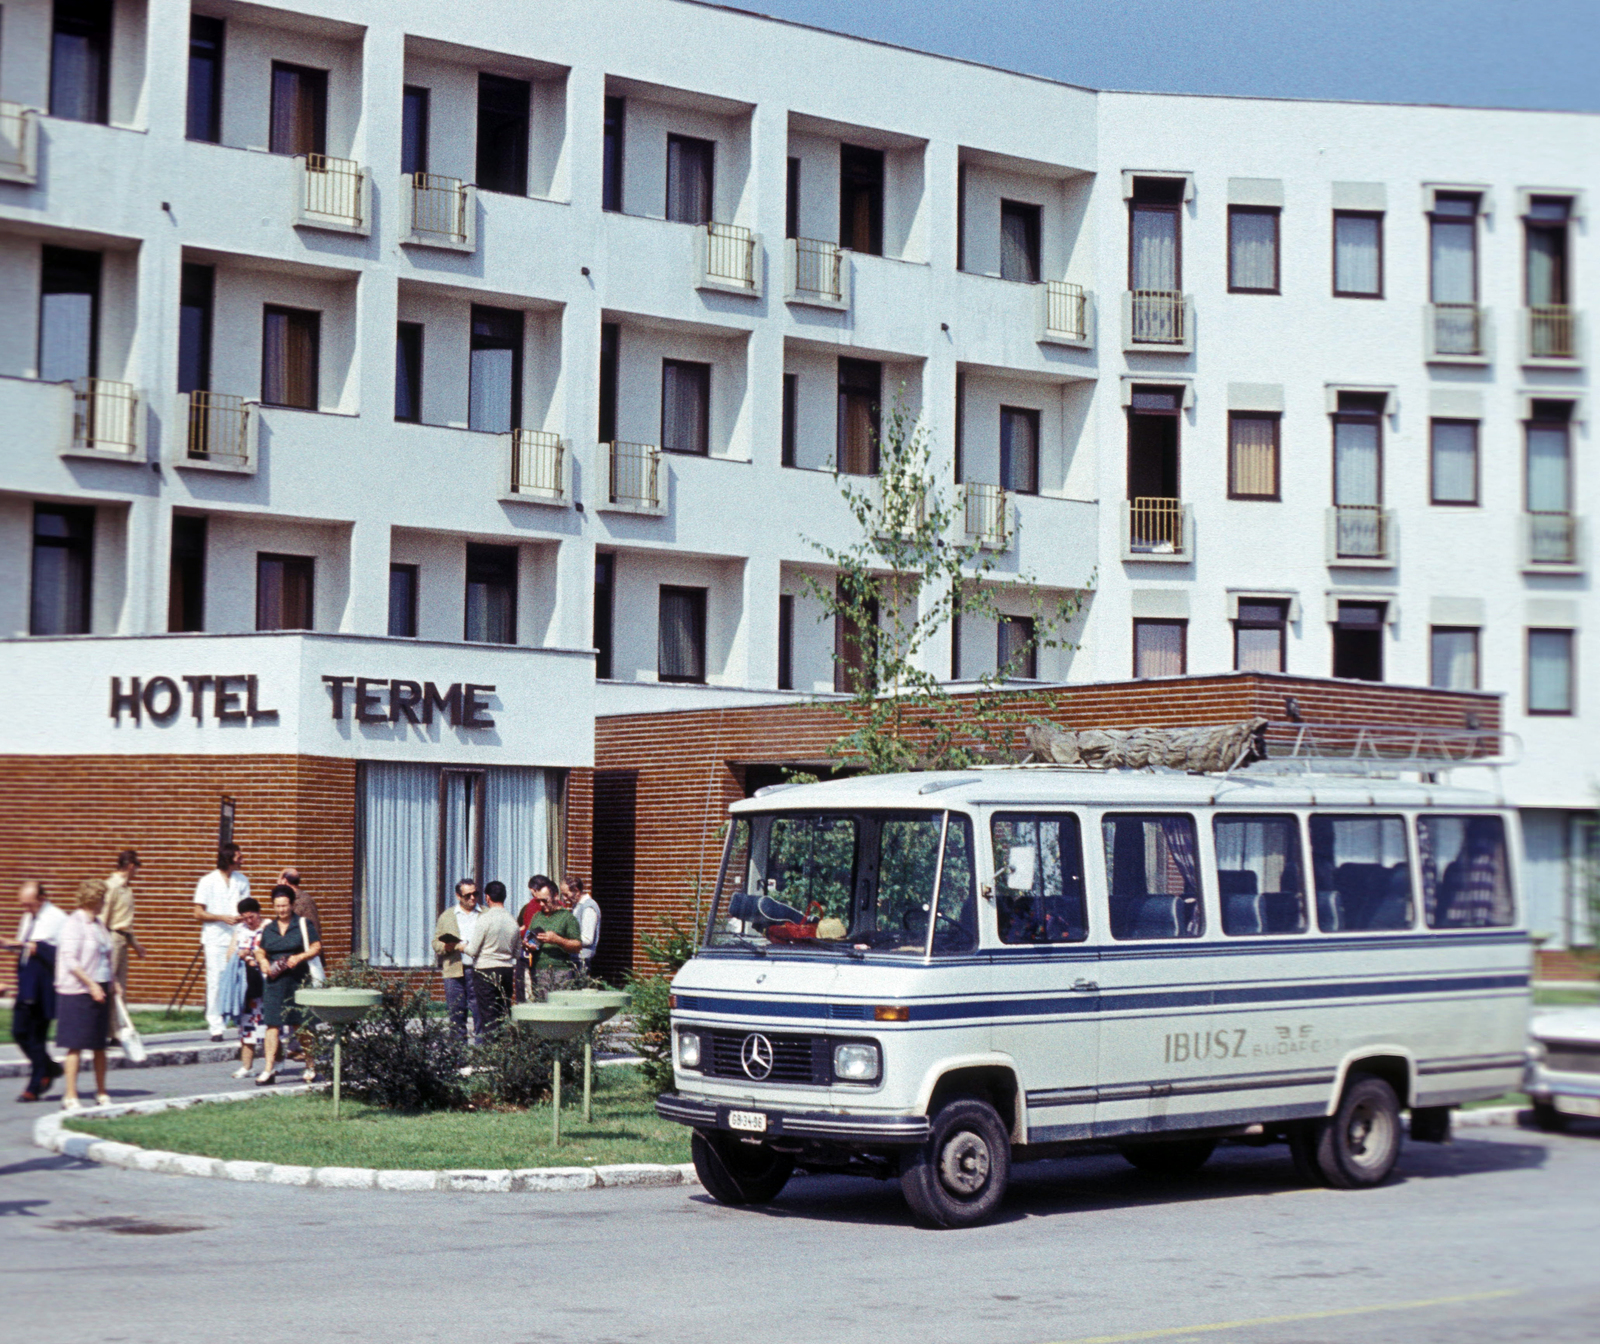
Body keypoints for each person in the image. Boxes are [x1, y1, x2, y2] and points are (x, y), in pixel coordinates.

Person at [56, 879, 115, 1111]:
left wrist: (112, 983)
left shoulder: (98, 924)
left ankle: (102, 1092)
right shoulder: (74, 924)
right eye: (102, 898)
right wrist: (91, 984)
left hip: (100, 989)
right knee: (76, 1044)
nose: (105, 902)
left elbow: (105, 956)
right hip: (78, 991)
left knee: (99, 1045)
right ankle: (70, 1095)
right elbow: (71, 960)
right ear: (93, 900)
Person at [252, 886, 321, 1086]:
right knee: (272, 1025)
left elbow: (316, 947)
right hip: (274, 982)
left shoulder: (302, 924)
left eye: (284, 905)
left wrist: (299, 956)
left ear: (291, 905)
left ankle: (310, 1065)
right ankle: (268, 1069)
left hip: (298, 981)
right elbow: (260, 950)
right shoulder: (269, 928)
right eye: (277, 906)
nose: (281, 910)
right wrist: (263, 961)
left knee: (301, 1024)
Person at [5, 882, 66, 1102]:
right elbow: (24, 944)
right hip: (27, 983)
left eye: (29, 904)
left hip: (43, 986)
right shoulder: (29, 917)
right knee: (19, 1032)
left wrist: (36, 947)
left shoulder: (56, 918)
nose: (26, 909)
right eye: (23, 905)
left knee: (36, 1036)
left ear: (41, 898)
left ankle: (35, 1085)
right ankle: (49, 1067)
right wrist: (8, 944)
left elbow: (62, 954)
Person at [194, 843, 248, 1040]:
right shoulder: (207, 881)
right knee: (215, 981)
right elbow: (198, 912)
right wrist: (221, 917)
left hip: (236, 937)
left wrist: (242, 917)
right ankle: (216, 1025)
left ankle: (240, 1020)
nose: (242, 861)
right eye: (238, 857)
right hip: (215, 939)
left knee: (239, 978)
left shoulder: (242, 880)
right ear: (229, 858)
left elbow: (246, 907)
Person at [465, 881, 518, 1034]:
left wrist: (461, 946)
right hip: (506, 970)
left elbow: (473, 950)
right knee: (503, 1013)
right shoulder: (512, 921)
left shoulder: (485, 919)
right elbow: (516, 952)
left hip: (485, 970)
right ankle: (503, 1050)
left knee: (488, 1016)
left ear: (487, 898)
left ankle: (491, 1053)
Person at [433, 880, 483, 1042]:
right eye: (467, 895)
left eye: (475, 893)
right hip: (454, 969)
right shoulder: (448, 916)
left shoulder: (485, 913)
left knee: (480, 1011)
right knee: (456, 1013)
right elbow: (436, 943)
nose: (472, 898)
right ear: (458, 896)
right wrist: (447, 947)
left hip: (478, 969)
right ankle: (457, 1056)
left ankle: (483, 1054)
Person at [224, 897, 267, 1079]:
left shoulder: (268, 928)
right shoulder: (239, 930)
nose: (249, 921)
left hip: (265, 983)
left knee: (271, 1028)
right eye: (245, 917)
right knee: (246, 1026)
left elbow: (271, 951)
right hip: (246, 986)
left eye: (252, 916)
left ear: (258, 912)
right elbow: (229, 955)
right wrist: (239, 956)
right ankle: (247, 1066)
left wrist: (251, 954)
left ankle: (275, 1063)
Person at [523, 878, 583, 999]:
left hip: (561, 971)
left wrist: (557, 940)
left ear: (555, 896)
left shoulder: (567, 917)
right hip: (539, 970)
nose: (541, 904)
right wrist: (528, 945)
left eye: (545, 901)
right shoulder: (537, 917)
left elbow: (577, 946)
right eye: (538, 901)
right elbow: (528, 938)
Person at [102, 849, 147, 997]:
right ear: (131, 866)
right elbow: (103, 918)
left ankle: (117, 1020)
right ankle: (104, 1020)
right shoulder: (111, 886)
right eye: (137, 868)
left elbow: (125, 924)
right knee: (109, 984)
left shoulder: (127, 889)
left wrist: (136, 946)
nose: (137, 872)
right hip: (112, 939)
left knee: (120, 987)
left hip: (123, 941)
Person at [516, 874, 554, 1002]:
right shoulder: (559, 906)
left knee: (529, 991)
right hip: (552, 956)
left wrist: (519, 933)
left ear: (533, 890)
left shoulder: (533, 904)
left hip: (532, 953)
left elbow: (528, 929)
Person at [565, 874, 602, 976]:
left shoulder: (588, 907)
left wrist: (564, 941)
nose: (564, 898)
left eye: (566, 894)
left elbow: (587, 938)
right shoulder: (577, 906)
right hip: (575, 959)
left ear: (576, 891)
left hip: (582, 961)